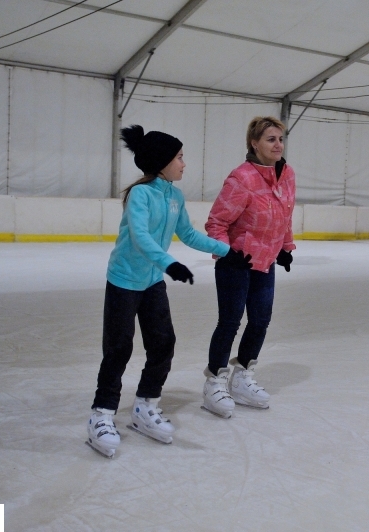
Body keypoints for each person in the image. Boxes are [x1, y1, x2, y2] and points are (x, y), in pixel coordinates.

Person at [86, 125, 251, 458]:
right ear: (161, 161)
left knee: (163, 343)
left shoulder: (174, 196)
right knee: (119, 348)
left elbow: (188, 234)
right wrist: (169, 263)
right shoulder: (140, 194)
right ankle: (101, 413)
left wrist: (226, 250)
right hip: (124, 280)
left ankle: (146, 405)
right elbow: (140, 237)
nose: (183, 164)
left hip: (151, 282)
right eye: (179, 157)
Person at [203, 116, 296, 418]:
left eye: (280, 139)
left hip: (265, 261)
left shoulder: (287, 175)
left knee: (260, 321)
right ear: (254, 144)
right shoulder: (241, 178)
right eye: (271, 139)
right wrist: (225, 251)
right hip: (237, 262)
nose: (278, 144)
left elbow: (285, 215)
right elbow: (216, 222)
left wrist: (285, 247)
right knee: (230, 323)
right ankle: (215, 382)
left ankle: (242, 376)